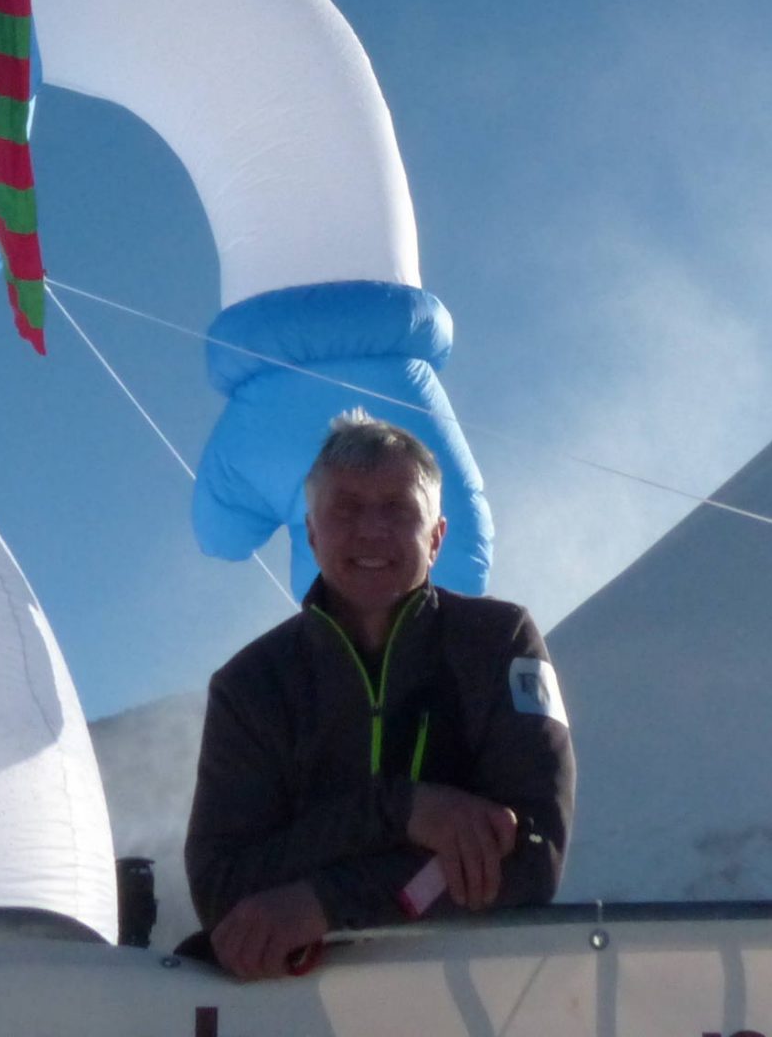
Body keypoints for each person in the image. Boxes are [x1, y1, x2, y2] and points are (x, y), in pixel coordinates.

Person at [185, 410, 576, 981]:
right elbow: (225, 890)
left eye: (397, 508)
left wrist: (322, 903)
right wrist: (404, 811)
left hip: (474, 1001)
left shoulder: (499, 644)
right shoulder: (250, 686)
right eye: (346, 508)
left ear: (437, 537)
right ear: (313, 533)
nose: (371, 530)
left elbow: (531, 855)